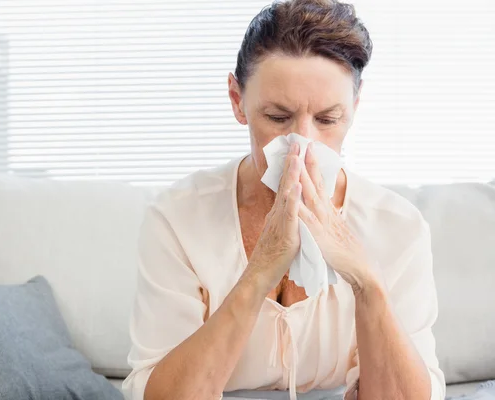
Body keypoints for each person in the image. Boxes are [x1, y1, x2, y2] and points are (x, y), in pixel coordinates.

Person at [123, 0, 445, 399]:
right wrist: (260, 271)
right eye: (277, 117)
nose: (303, 144)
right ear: (237, 100)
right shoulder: (177, 219)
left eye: (328, 119)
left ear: (354, 110)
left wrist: (366, 283)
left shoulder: (400, 228)